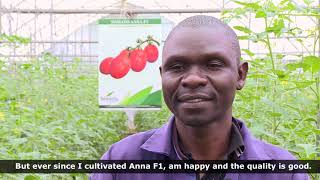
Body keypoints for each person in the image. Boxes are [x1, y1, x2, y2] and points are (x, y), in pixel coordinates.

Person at [91, 15, 309, 180]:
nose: (193, 79)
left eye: (213, 65)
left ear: (240, 75)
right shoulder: (119, 164)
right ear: (162, 77)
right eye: (176, 67)